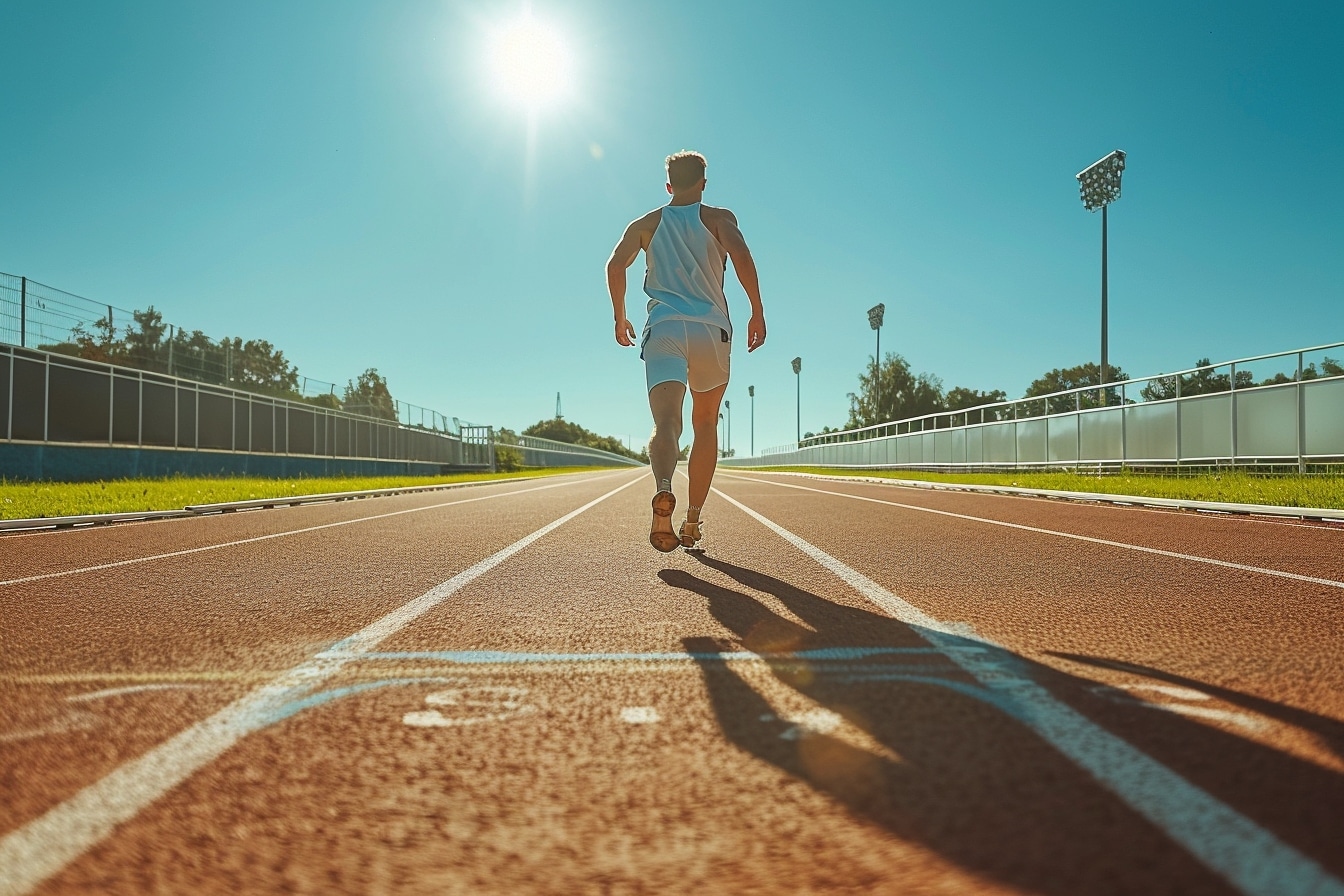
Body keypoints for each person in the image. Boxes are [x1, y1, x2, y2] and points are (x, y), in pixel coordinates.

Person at [605, 150, 767, 552]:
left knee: (666, 424)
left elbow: (615, 265)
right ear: (703, 183)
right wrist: (757, 311)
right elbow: (742, 254)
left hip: (664, 328)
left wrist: (619, 316)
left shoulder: (645, 224)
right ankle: (692, 519)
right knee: (706, 424)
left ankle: (663, 487)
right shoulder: (719, 218)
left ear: (668, 185)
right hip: (711, 330)